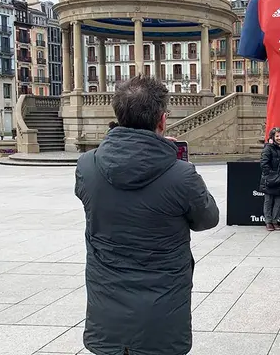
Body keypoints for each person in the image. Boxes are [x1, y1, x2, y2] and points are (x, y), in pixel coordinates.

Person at [74, 75, 220, 355]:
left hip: (106, 311)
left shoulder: (86, 165)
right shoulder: (181, 174)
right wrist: (171, 159)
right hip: (162, 311)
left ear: (118, 115)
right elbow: (207, 218)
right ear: (162, 120)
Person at [260, 127, 280, 231]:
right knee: (268, 201)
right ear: (273, 137)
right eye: (277, 136)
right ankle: (268, 222)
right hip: (270, 179)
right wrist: (271, 175)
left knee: (278, 202)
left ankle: (275, 221)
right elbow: (264, 163)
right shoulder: (268, 147)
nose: (279, 138)